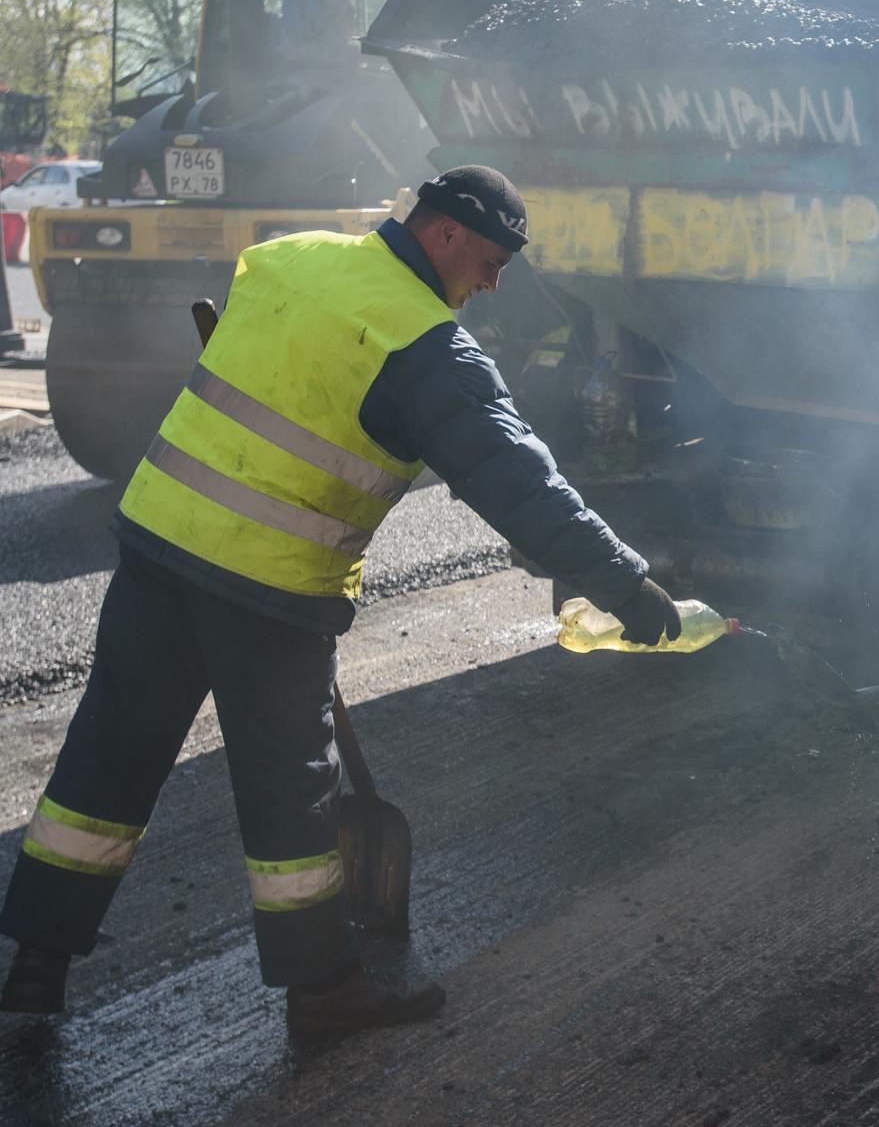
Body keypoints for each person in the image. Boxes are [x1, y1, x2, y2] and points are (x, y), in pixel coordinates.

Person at [0, 166, 685, 1033]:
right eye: (492, 259)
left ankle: (38, 958)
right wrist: (626, 582)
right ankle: (322, 989)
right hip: (271, 586)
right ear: (444, 235)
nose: (494, 281)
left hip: (157, 543)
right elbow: (523, 487)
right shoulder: (427, 346)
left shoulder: (285, 260)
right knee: (291, 788)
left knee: (110, 751)